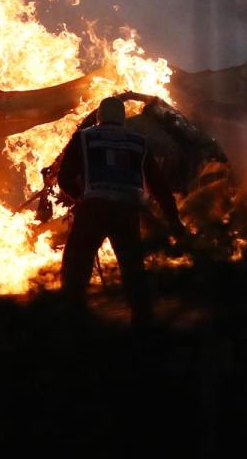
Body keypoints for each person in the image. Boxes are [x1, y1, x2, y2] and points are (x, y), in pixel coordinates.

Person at [57, 96, 186, 327]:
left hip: (94, 209)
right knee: (133, 269)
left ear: (99, 117)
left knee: (76, 264)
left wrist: (81, 198)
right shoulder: (138, 142)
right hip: (127, 211)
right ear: (123, 118)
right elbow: (159, 185)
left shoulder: (84, 137)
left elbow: (64, 177)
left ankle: (72, 319)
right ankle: (143, 324)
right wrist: (173, 220)